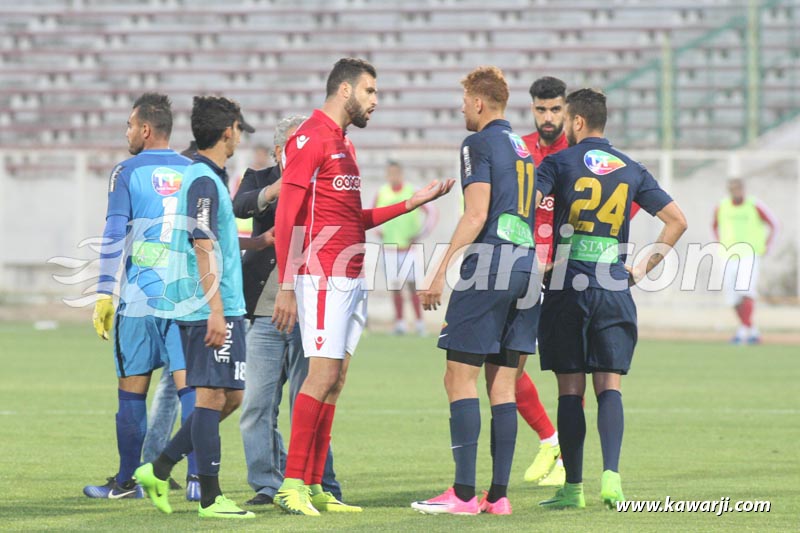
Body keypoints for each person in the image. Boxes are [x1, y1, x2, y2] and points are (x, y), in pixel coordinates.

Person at [271, 57, 454, 516]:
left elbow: (354, 219)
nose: (376, 101)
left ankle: (314, 485)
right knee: (320, 375)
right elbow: (285, 214)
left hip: (349, 275)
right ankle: (291, 484)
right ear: (345, 90)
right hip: (321, 274)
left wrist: (413, 203)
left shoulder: (344, 145)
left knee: (336, 379)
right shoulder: (310, 138)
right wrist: (288, 285)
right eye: (370, 92)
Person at [534, 88, 687, 509]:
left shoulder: (559, 162)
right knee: (609, 386)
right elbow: (677, 221)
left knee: (570, 389)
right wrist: (640, 270)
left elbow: (530, 206)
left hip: (568, 287)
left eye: (565, 119)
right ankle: (612, 479)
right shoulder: (631, 168)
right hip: (614, 288)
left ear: (577, 122)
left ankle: (572, 489)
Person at [411, 66, 539, 516]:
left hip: (491, 263)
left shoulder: (477, 143)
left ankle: (464, 494)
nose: (462, 107)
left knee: (458, 376)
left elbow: (475, 213)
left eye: (465, 100)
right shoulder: (523, 149)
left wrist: (439, 270)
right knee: (504, 383)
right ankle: (498, 496)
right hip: (527, 265)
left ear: (480, 103)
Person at [134, 96, 256, 519]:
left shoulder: (210, 177)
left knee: (230, 396)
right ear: (228, 132)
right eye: (239, 129)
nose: (240, 136)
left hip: (222, 303)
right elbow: (202, 244)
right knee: (211, 395)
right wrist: (216, 309)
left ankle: (161, 466)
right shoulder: (203, 179)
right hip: (207, 306)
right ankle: (211, 497)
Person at [84, 93, 199, 501]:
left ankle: (127, 482)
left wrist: (102, 294)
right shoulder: (193, 171)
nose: (127, 132)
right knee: (190, 391)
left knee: (132, 392)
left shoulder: (126, 172)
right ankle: (198, 481)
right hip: (185, 300)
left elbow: (115, 233)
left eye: (130, 125)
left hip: (138, 300)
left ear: (146, 129)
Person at [234, 115, 343, 506]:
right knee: (257, 404)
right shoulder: (260, 177)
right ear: (283, 150)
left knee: (308, 399)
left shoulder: (325, 182)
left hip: (313, 304)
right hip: (265, 310)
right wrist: (283, 185)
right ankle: (268, 483)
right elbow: (241, 206)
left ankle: (321, 483)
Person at [516, 76, 569, 488]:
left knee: (569, 367)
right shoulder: (521, 149)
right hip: (522, 270)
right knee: (507, 365)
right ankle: (550, 440)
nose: (548, 117)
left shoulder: (582, 152)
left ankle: (568, 455)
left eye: (554, 109)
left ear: (567, 109)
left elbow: (624, 206)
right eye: (541, 109)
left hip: (568, 273)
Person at [713, 178, 778, 344]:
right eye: (732, 189)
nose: (736, 192)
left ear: (743, 189)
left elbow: (774, 224)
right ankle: (752, 330)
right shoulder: (722, 206)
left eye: (738, 188)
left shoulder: (754, 205)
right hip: (728, 255)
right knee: (731, 297)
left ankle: (743, 332)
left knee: (746, 291)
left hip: (749, 254)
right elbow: (714, 226)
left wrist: (766, 246)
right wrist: (720, 241)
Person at [374, 160, 433, 335]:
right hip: (390, 248)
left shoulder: (411, 191)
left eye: (396, 173)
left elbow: (432, 212)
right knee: (395, 287)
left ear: (401, 173)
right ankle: (399, 322)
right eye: (390, 173)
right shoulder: (381, 192)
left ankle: (420, 323)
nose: (393, 176)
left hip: (409, 249)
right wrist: (379, 232)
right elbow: (371, 213)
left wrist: (421, 233)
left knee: (414, 286)